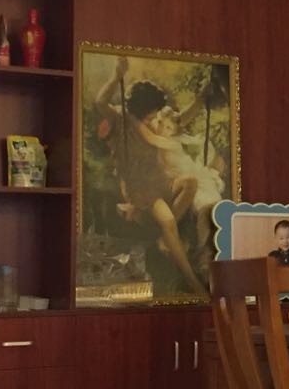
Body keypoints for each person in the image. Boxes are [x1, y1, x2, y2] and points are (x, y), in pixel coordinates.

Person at [95, 56, 225, 294]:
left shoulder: (152, 121)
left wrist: (200, 98)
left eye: (155, 116)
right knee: (167, 221)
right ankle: (193, 281)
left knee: (190, 182)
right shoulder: (120, 118)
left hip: (160, 180)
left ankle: (165, 238)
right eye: (149, 118)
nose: (154, 121)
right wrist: (116, 77)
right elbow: (100, 101)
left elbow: (178, 121)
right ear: (137, 114)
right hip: (140, 187)